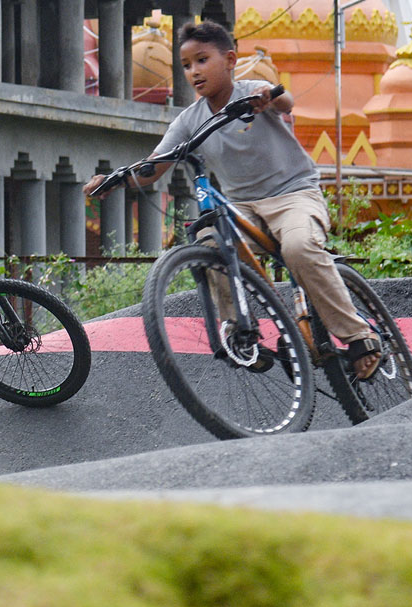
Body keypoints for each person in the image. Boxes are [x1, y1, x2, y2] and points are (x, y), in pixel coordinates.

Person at [85, 19, 382, 379]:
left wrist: (268, 97)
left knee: (299, 249)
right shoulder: (189, 121)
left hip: (293, 195)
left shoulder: (252, 92)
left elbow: (285, 101)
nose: (194, 72)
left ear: (229, 60)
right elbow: (154, 166)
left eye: (202, 60)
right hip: (243, 209)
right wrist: (115, 179)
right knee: (210, 243)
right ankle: (242, 333)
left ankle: (359, 336)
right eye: (186, 65)